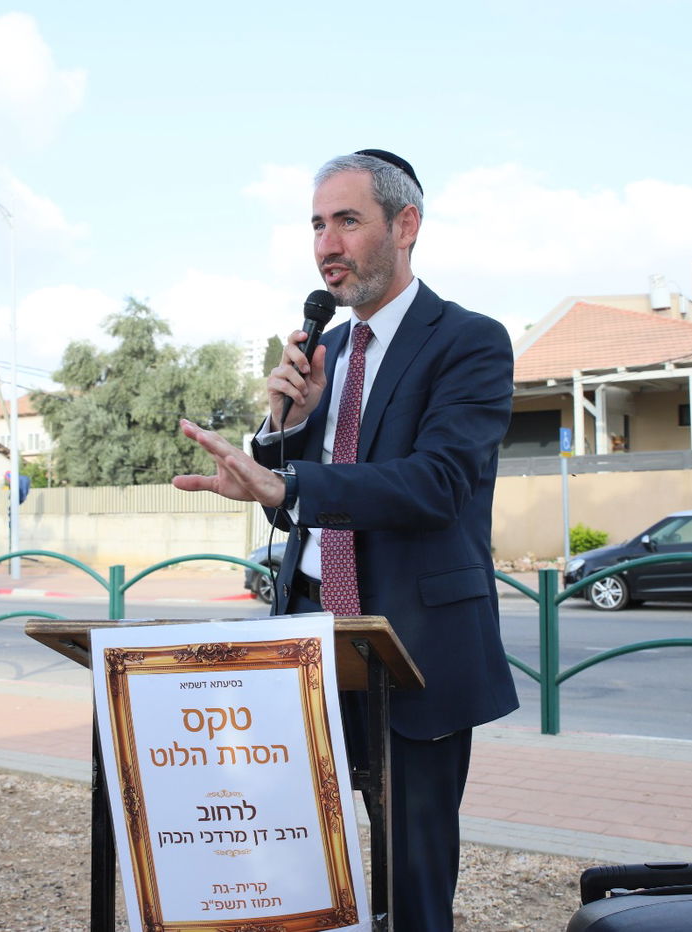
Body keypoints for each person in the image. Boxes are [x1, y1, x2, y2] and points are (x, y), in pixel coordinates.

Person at [172, 149, 518, 931]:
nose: (327, 244)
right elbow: (304, 499)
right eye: (317, 225)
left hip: (415, 651)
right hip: (309, 643)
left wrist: (292, 484)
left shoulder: (468, 342)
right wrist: (283, 435)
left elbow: (436, 485)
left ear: (406, 225)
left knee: (413, 878)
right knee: (298, 861)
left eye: (348, 221)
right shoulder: (326, 354)